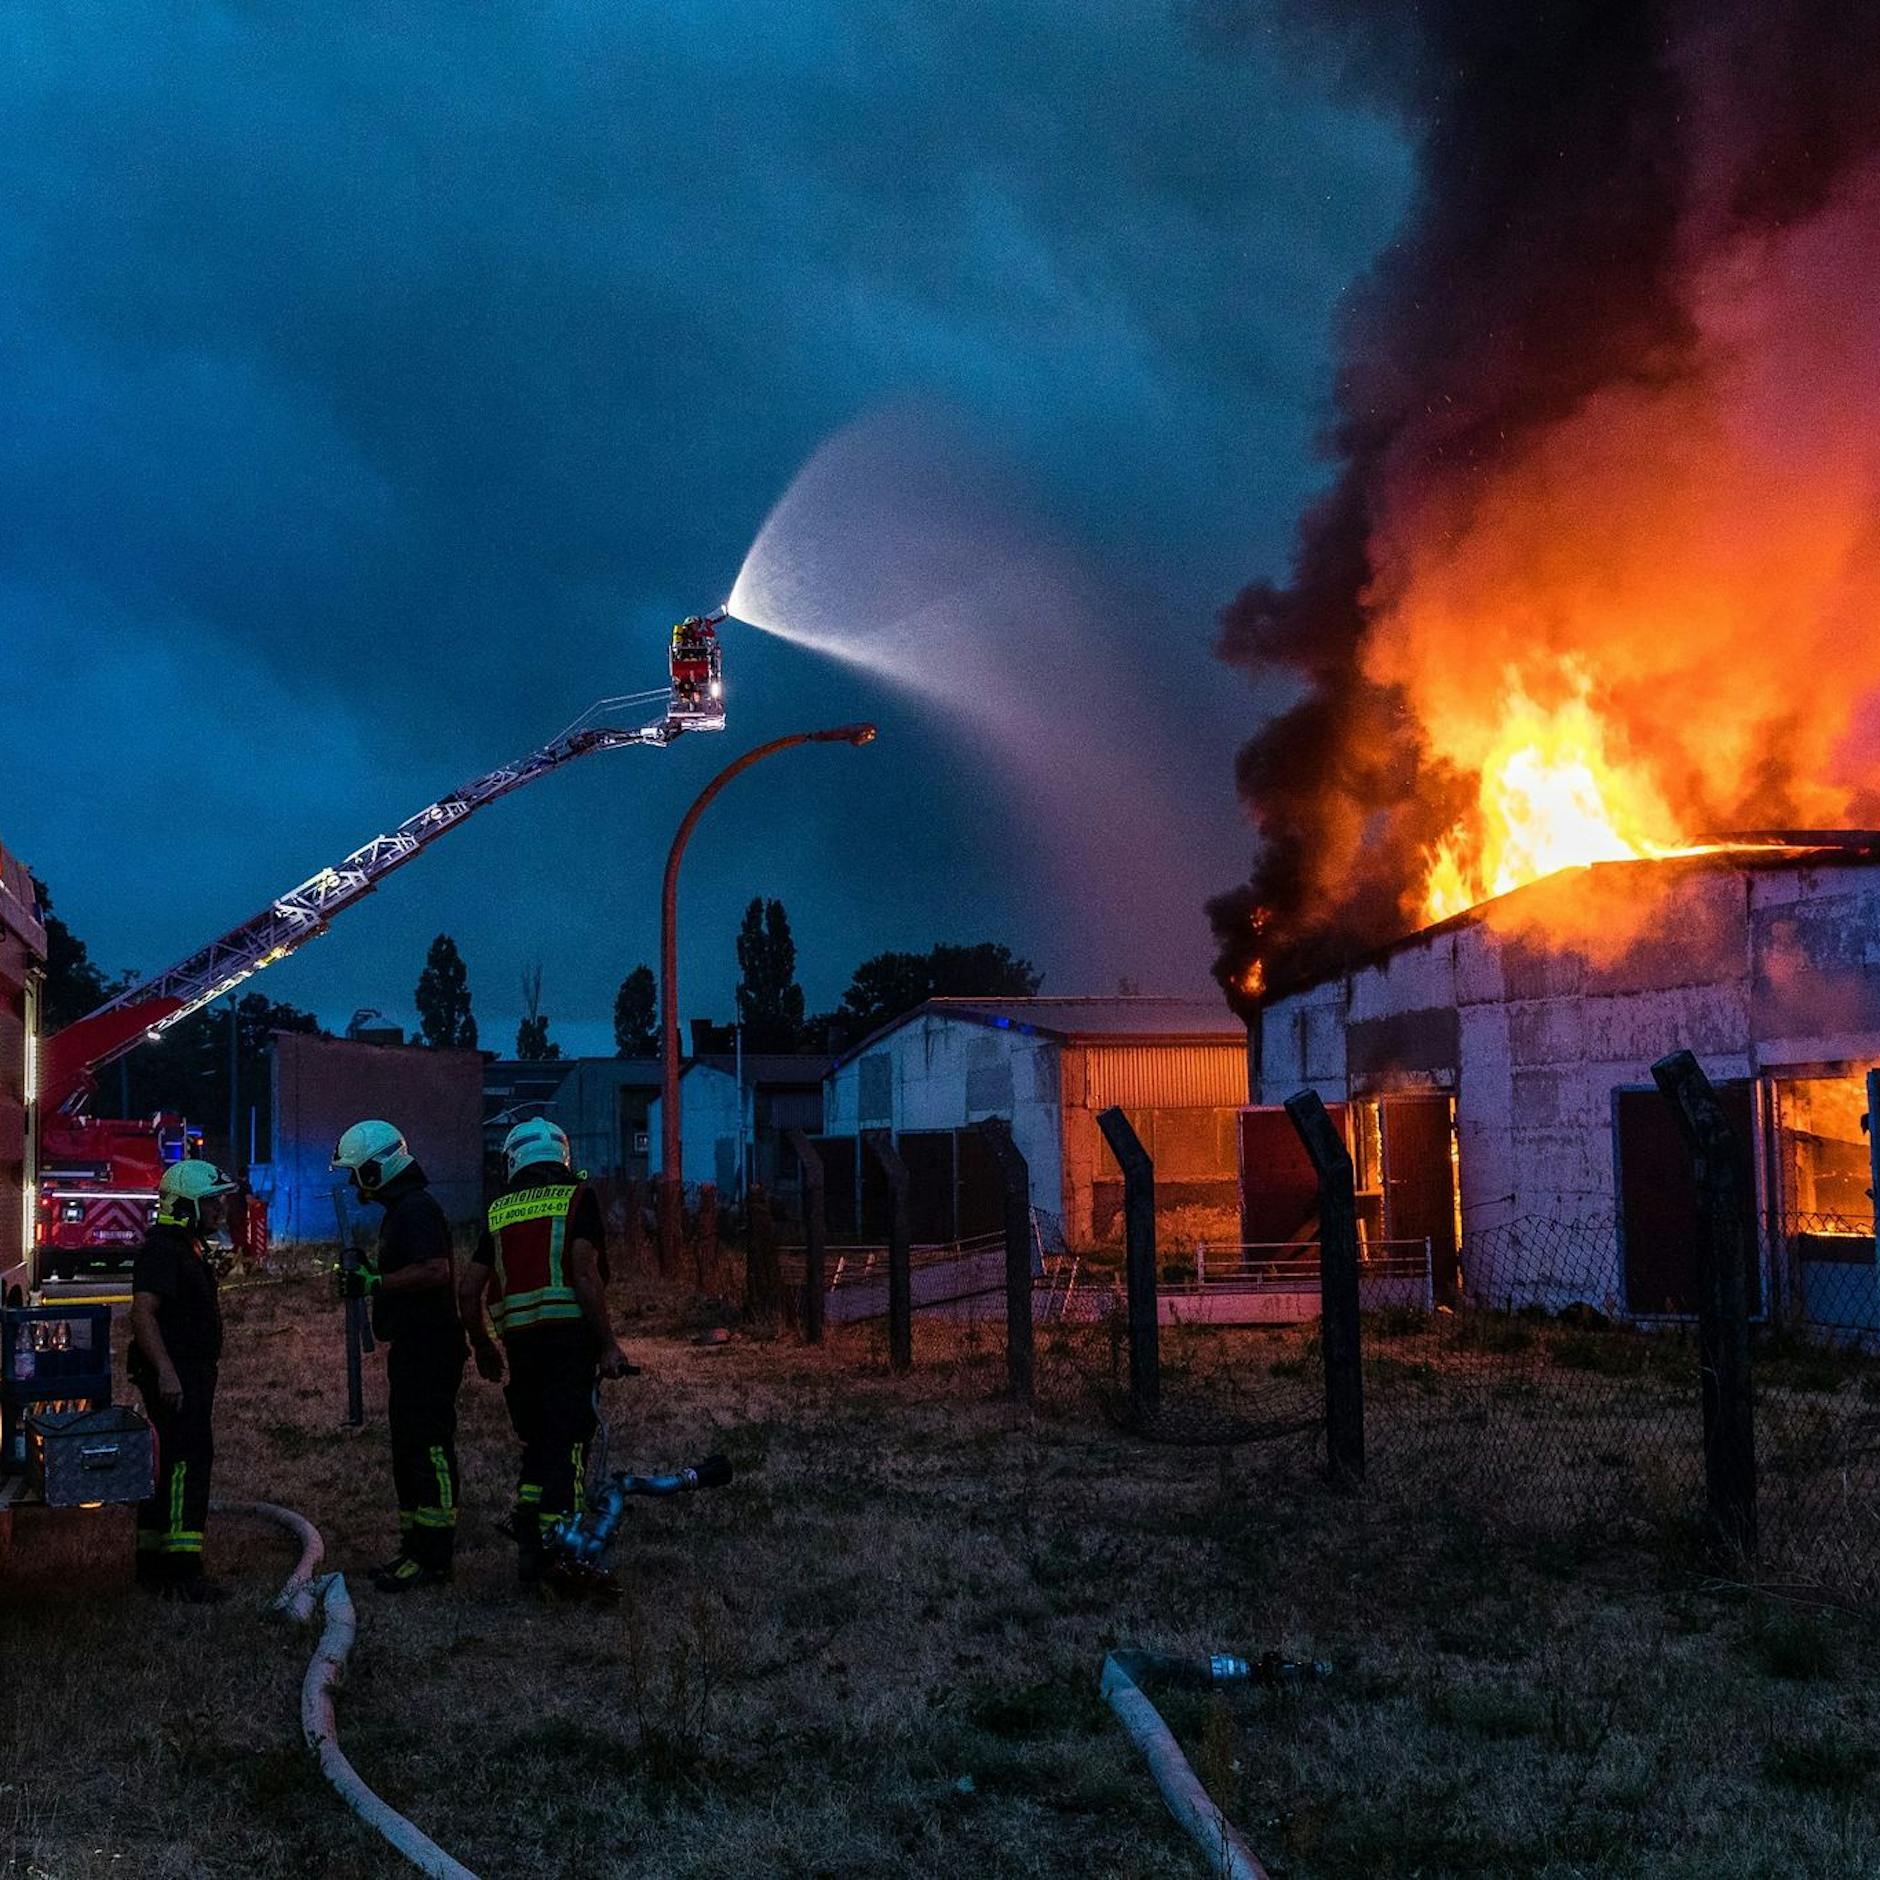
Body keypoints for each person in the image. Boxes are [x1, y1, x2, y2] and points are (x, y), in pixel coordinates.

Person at [458, 1117, 633, 1597]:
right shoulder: (578, 1198)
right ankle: (567, 1556)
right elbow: (584, 1271)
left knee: (538, 1442)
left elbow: (468, 1288)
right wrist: (607, 1344)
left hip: (520, 1346)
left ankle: (530, 1541)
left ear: (514, 1158)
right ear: (563, 1155)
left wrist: (483, 1345)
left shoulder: (498, 1211)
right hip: (568, 1341)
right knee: (570, 1445)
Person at [331, 1120, 468, 1591]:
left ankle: (434, 1557)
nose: (353, 1184)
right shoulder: (403, 1211)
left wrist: (376, 1283)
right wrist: (370, 1272)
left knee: (428, 1450)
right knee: (409, 1451)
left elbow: (434, 1270)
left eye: (357, 1173)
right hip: (413, 1348)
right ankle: (414, 1549)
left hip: (430, 1347)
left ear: (377, 1168)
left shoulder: (414, 1210)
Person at [128, 1159, 238, 1601]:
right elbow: (143, 1312)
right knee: (183, 1464)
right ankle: (181, 1571)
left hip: (188, 1373)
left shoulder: (182, 1246)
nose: (220, 1209)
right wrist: (168, 1373)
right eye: (211, 1201)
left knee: (168, 1464)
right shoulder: (163, 1249)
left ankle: (154, 1566)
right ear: (186, 1205)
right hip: (177, 1376)